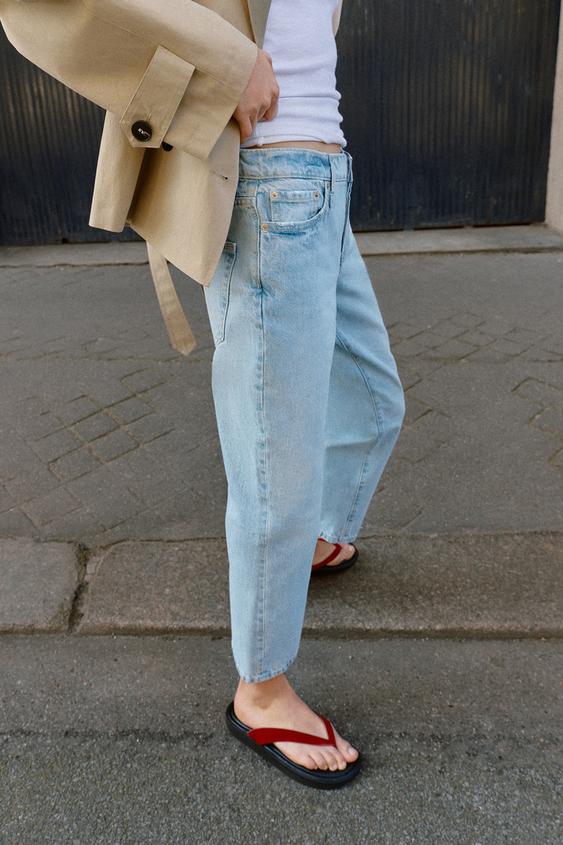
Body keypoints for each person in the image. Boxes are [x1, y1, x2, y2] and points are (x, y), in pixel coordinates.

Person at [203, 0, 406, 788]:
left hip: (322, 175)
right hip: (271, 180)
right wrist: (225, 64)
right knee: (274, 463)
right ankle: (260, 689)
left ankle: (307, 542)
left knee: (373, 397)